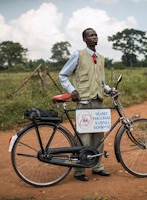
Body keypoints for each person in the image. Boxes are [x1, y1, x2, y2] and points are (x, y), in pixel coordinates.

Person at [59, 28, 112, 182]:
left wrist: (109, 90)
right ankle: (79, 170)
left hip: (98, 101)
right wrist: (72, 90)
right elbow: (63, 75)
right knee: (83, 137)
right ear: (84, 39)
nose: (94, 37)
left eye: (96, 34)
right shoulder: (78, 55)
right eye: (90, 35)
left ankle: (97, 166)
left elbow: (101, 81)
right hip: (84, 102)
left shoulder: (101, 58)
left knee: (98, 136)